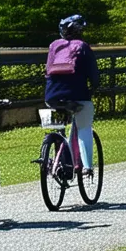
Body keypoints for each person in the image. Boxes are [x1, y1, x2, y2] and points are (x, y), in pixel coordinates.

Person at [44, 15, 100, 177]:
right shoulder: (83, 47)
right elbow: (94, 77)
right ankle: (87, 167)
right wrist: (92, 90)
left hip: (52, 96)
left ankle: (55, 157)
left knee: (56, 126)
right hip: (78, 95)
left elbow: (48, 70)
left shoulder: (54, 46)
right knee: (84, 126)